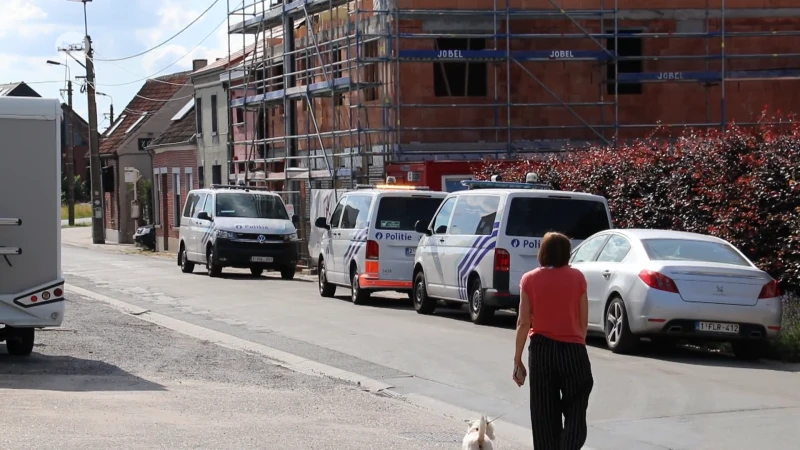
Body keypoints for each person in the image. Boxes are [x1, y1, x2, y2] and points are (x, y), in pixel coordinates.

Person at [512, 232, 593, 450]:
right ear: (567, 254)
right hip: (574, 350)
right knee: (577, 406)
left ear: (542, 253)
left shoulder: (529, 279)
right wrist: (577, 342)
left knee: (543, 414)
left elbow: (523, 322)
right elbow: (584, 319)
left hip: (541, 350)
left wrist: (517, 359)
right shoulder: (578, 278)